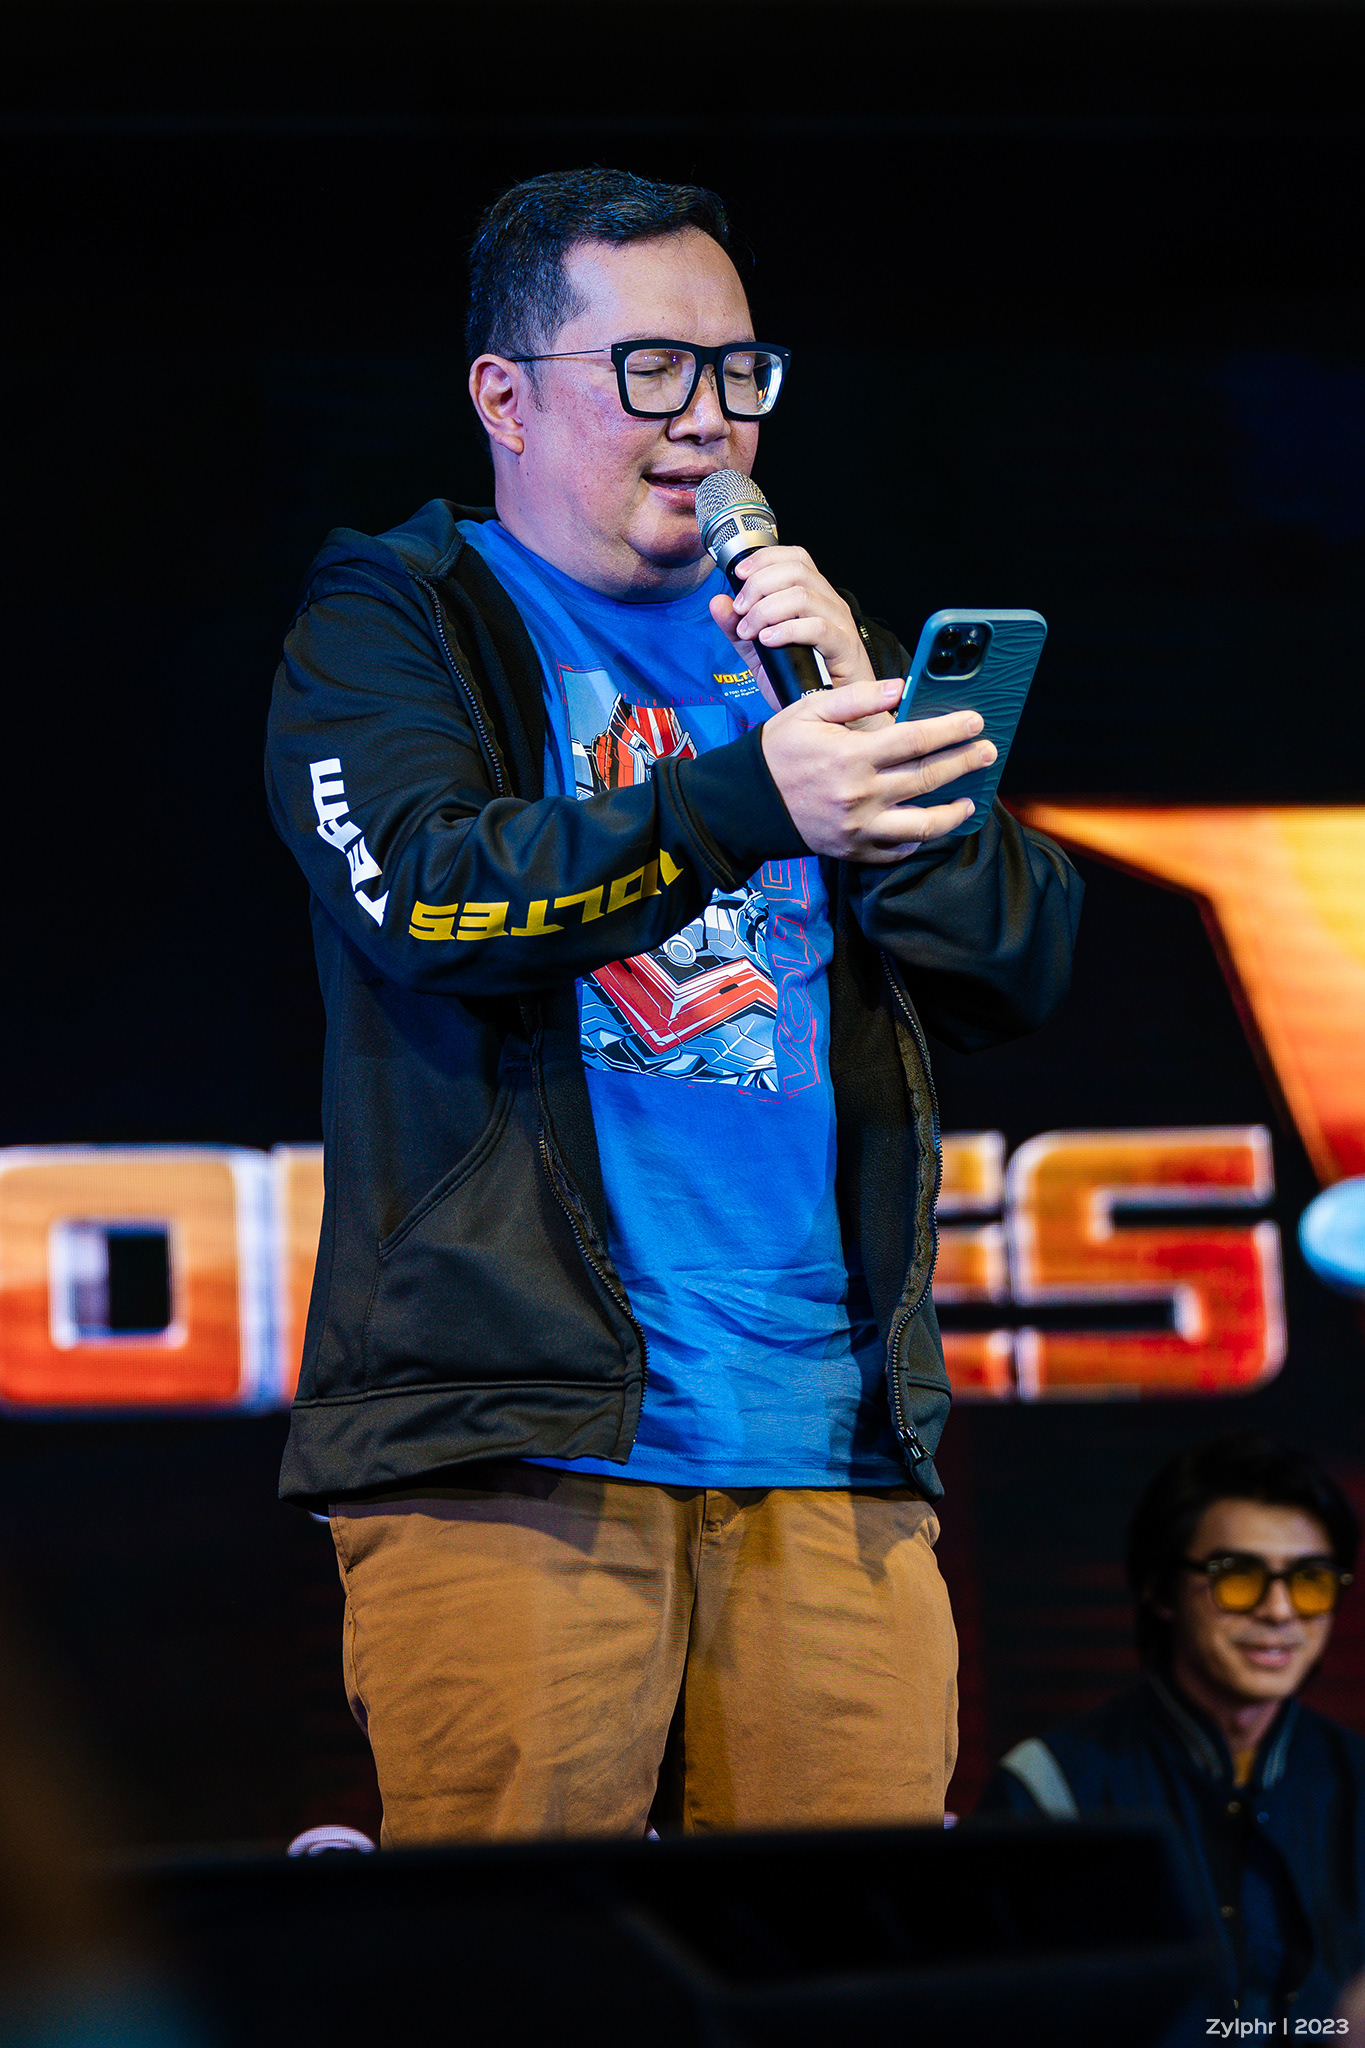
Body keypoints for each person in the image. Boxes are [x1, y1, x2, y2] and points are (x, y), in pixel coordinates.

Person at [266, 166, 1082, 1844]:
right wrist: (748, 796)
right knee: (526, 1959)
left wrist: (861, 710)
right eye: (649, 368)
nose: (706, 417)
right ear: (506, 396)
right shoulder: (399, 618)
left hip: (826, 1443)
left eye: (737, 371)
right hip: (519, 1443)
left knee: (850, 1953)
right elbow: (427, 892)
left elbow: (1015, 962)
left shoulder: (799, 651)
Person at [978, 1432, 1365, 2036]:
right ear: (1160, 1588)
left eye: (1310, 1580)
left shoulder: (1358, 1780)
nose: (1281, 1611)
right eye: (1239, 1576)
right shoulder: (1052, 1790)